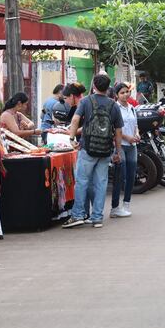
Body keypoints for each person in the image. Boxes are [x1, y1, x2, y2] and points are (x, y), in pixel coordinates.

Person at [63, 74, 124, 229]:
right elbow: (118, 131)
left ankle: (78, 215)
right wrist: (118, 151)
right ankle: (97, 218)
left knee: (82, 182)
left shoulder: (85, 101)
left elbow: (75, 120)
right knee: (101, 183)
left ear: (94, 86)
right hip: (105, 149)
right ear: (108, 87)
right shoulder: (114, 105)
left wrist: (71, 138)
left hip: (88, 148)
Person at [110, 82, 140, 218]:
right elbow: (113, 129)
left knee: (131, 176)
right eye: (122, 93)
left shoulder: (132, 108)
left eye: (127, 91)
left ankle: (126, 203)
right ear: (116, 95)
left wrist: (137, 134)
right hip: (120, 145)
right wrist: (127, 137)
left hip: (132, 146)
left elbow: (135, 124)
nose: (125, 94)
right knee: (120, 176)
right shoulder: (114, 108)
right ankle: (115, 207)